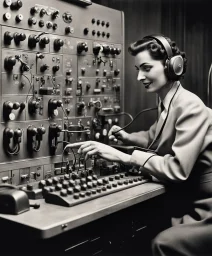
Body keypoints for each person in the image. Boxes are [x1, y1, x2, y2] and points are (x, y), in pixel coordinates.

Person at [65, 35, 212, 256]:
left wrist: (123, 156)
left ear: (172, 67)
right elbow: (154, 136)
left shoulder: (190, 106)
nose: (139, 77)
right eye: (137, 69)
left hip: (206, 208)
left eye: (146, 68)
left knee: (163, 243)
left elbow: (178, 170)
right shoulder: (169, 101)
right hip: (187, 197)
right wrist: (127, 137)